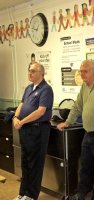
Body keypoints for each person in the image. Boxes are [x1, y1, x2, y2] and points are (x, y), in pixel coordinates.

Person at [57, 60, 94, 200]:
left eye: (85, 71)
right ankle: (81, 193)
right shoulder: (84, 86)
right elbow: (77, 106)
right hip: (88, 133)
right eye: (80, 71)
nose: (82, 74)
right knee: (85, 167)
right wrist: (68, 121)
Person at [13, 62, 54, 200]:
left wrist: (22, 121)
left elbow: (40, 112)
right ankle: (23, 192)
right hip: (25, 130)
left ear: (41, 73)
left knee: (35, 163)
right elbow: (21, 104)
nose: (29, 73)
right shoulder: (29, 88)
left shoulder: (46, 89)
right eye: (29, 70)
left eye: (33, 71)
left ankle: (31, 195)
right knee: (25, 161)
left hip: (38, 130)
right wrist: (15, 117)